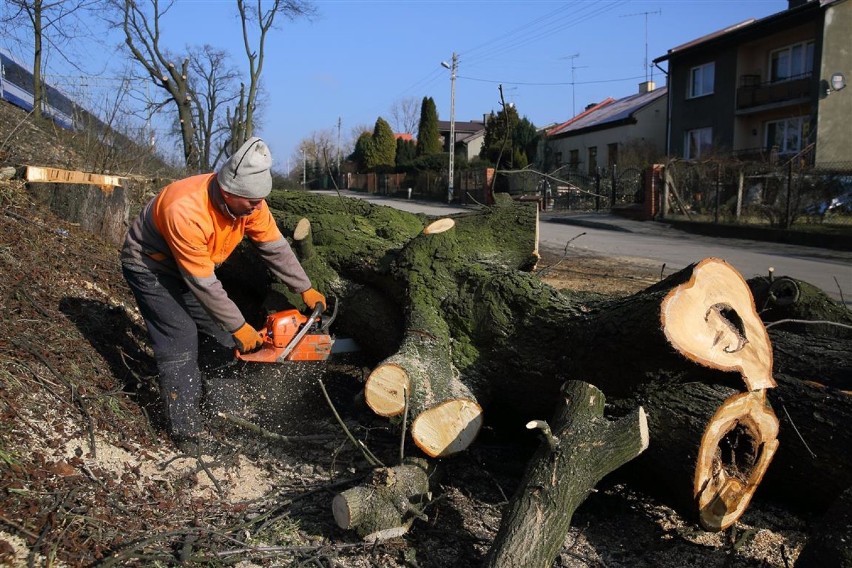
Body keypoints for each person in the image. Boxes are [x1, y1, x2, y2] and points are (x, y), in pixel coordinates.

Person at [121, 137, 325, 451]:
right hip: (151, 266)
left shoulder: (251, 202)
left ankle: (225, 411)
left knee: (219, 334)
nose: (258, 207)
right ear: (229, 192)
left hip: (192, 269)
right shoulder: (186, 210)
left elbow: (274, 247)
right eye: (252, 202)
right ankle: (186, 430)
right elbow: (203, 283)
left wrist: (305, 287)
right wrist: (240, 326)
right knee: (181, 336)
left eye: (261, 200)